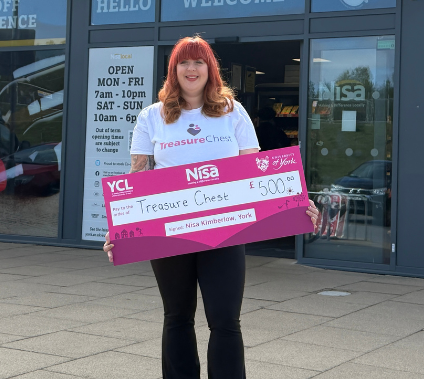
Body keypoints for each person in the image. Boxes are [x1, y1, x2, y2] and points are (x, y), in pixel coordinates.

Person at [103, 36, 319, 379]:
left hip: (226, 231)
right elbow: (137, 179)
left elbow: (256, 171)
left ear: (210, 69)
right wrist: (120, 231)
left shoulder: (233, 112)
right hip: (171, 233)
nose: (191, 69)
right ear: (174, 69)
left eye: (199, 62)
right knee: (176, 316)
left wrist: (293, 201)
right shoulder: (152, 117)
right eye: (184, 62)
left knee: (225, 321)